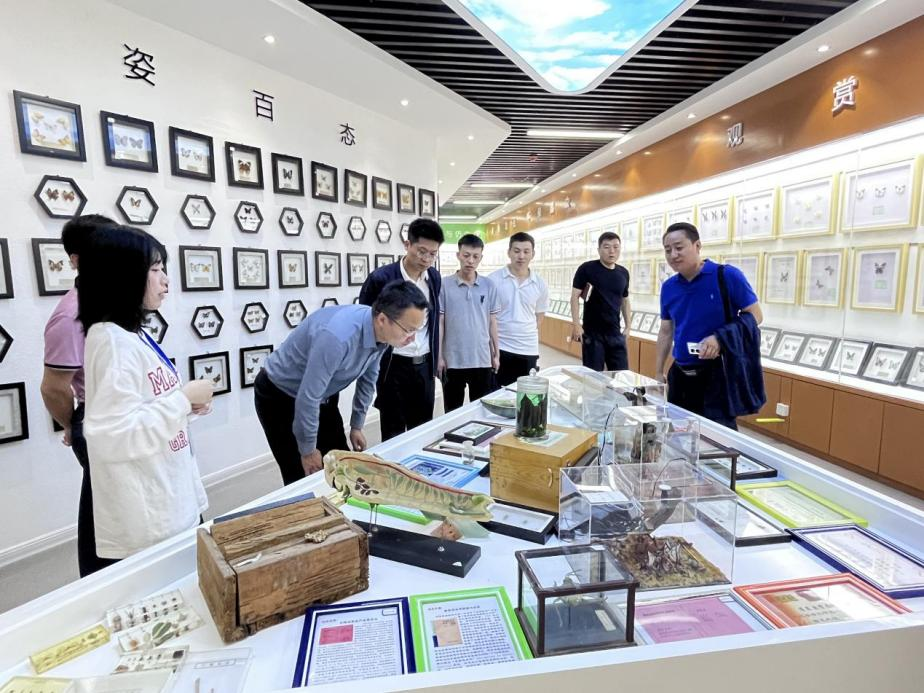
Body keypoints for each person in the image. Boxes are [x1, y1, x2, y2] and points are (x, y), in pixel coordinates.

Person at [78, 226, 213, 562]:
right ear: (123, 275)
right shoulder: (112, 342)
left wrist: (187, 408)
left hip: (170, 496)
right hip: (150, 519)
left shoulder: (132, 334)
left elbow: (146, 407)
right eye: (155, 270)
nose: (165, 280)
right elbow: (113, 436)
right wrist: (182, 400)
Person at [256, 281, 429, 484]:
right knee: (303, 475)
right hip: (280, 395)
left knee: (341, 467)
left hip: (322, 395)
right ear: (383, 319)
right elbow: (308, 397)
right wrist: (308, 450)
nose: (412, 339)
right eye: (408, 330)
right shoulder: (337, 337)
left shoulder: (381, 332)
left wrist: (357, 425)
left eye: (417, 330)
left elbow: (369, 378)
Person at [40, 213, 117, 577]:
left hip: (121, 415)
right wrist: (71, 424)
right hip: (98, 420)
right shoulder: (70, 316)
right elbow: (53, 386)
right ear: (75, 260)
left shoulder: (112, 303)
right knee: (106, 515)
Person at [655, 222, 764, 429]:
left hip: (718, 374)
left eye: (679, 247)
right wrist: (659, 371)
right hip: (681, 374)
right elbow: (666, 331)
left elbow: (756, 315)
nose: (673, 255)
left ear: (697, 246)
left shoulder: (727, 276)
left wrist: (720, 338)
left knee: (717, 437)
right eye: (668, 250)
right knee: (678, 434)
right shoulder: (669, 288)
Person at [359, 219, 444, 441]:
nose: (426, 259)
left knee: (423, 430)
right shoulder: (381, 278)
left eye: (432, 254)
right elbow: (365, 321)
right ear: (407, 245)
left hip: (424, 365)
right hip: (392, 365)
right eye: (421, 251)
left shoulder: (434, 277)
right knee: (393, 431)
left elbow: (433, 321)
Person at [438, 234, 500, 411]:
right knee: (452, 411)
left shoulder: (489, 285)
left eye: (475, 256)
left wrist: (496, 354)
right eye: (466, 255)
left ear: (481, 257)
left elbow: (492, 322)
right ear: (458, 255)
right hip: (453, 360)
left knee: (481, 410)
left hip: (481, 359)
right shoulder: (444, 285)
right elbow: (440, 322)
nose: (470, 261)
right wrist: (439, 357)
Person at [488, 232, 549, 386]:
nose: (521, 256)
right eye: (516, 251)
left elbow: (539, 315)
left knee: (525, 393)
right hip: (500, 347)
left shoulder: (540, 283)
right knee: (496, 393)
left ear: (533, 254)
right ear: (509, 252)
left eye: (526, 251)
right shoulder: (493, 280)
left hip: (528, 348)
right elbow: (487, 316)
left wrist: (524, 331)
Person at [570, 231, 631, 371]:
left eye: (616, 247)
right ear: (599, 250)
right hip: (593, 334)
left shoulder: (623, 273)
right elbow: (574, 297)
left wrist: (628, 326)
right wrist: (576, 324)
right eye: (607, 247)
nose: (612, 251)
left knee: (621, 375)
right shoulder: (587, 269)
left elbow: (625, 300)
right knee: (593, 375)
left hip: (615, 333)